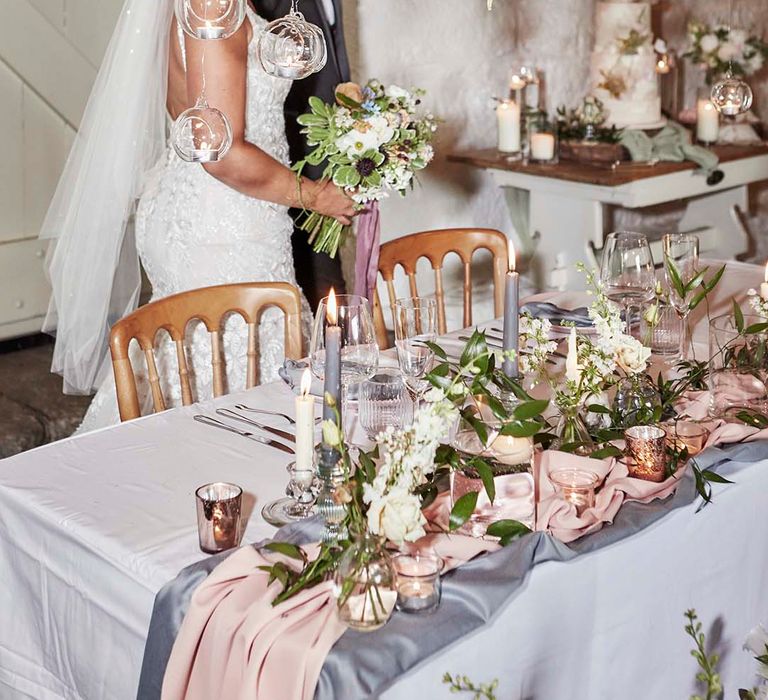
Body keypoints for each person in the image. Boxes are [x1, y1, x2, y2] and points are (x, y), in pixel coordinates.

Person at [40, 0, 355, 431]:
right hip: (222, 222)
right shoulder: (213, 7)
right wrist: (317, 196)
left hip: (216, 210)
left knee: (193, 371)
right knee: (230, 381)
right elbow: (220, 153)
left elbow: (196, 114)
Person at [252, 0, 350, 310]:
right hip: (286, 151)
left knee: (327, 278)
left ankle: (337, 348)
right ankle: (331, 351)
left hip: (327, 142)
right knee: (312, 282)